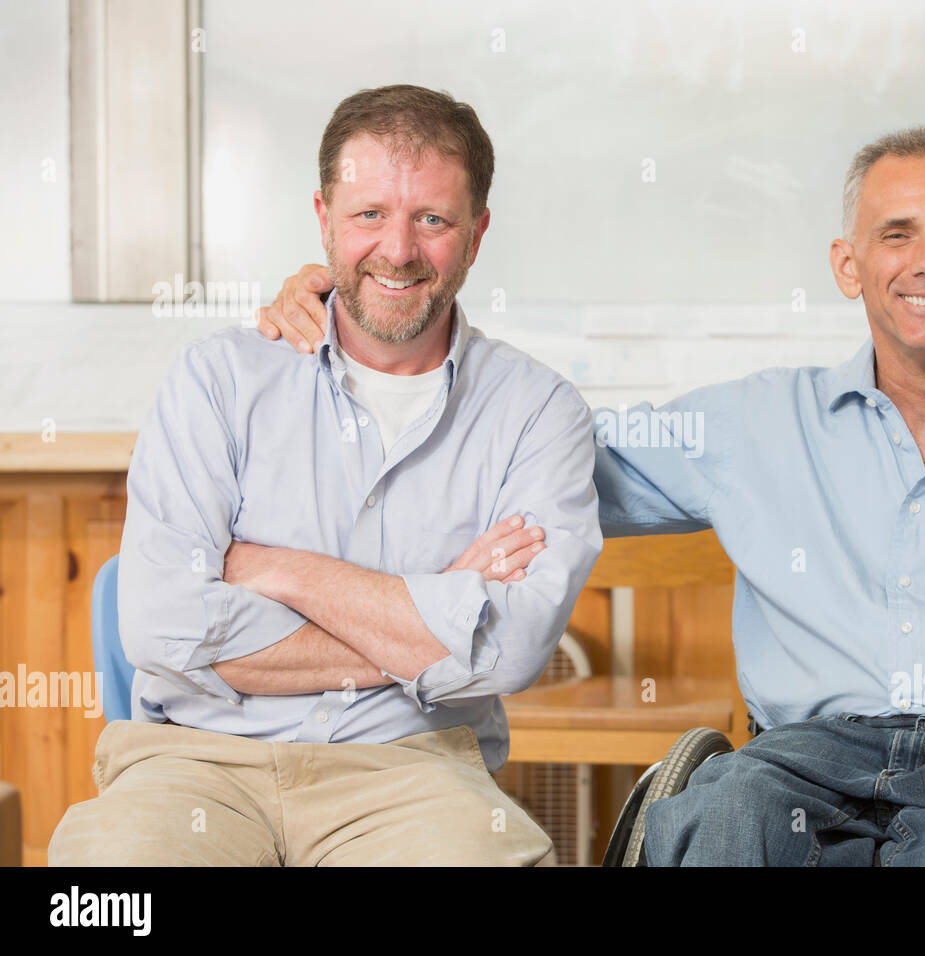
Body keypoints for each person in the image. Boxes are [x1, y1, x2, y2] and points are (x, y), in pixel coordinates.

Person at [256, 126, 925, 866]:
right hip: (802, 761)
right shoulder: (751, 425)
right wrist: (367, 317)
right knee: (720, 811)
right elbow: (531, 448)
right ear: (847, 265)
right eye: (896, 234)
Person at [48, 84, 601, 866]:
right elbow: (162, 627)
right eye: (369, 214)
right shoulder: (218, 381)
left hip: (412, 776)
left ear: (476, 236)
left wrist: (279, 570)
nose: (399, 249)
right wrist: (436, 613)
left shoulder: (539, 410)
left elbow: (507, 652)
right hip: (194, 768)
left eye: (432, 220)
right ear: (324, 219)